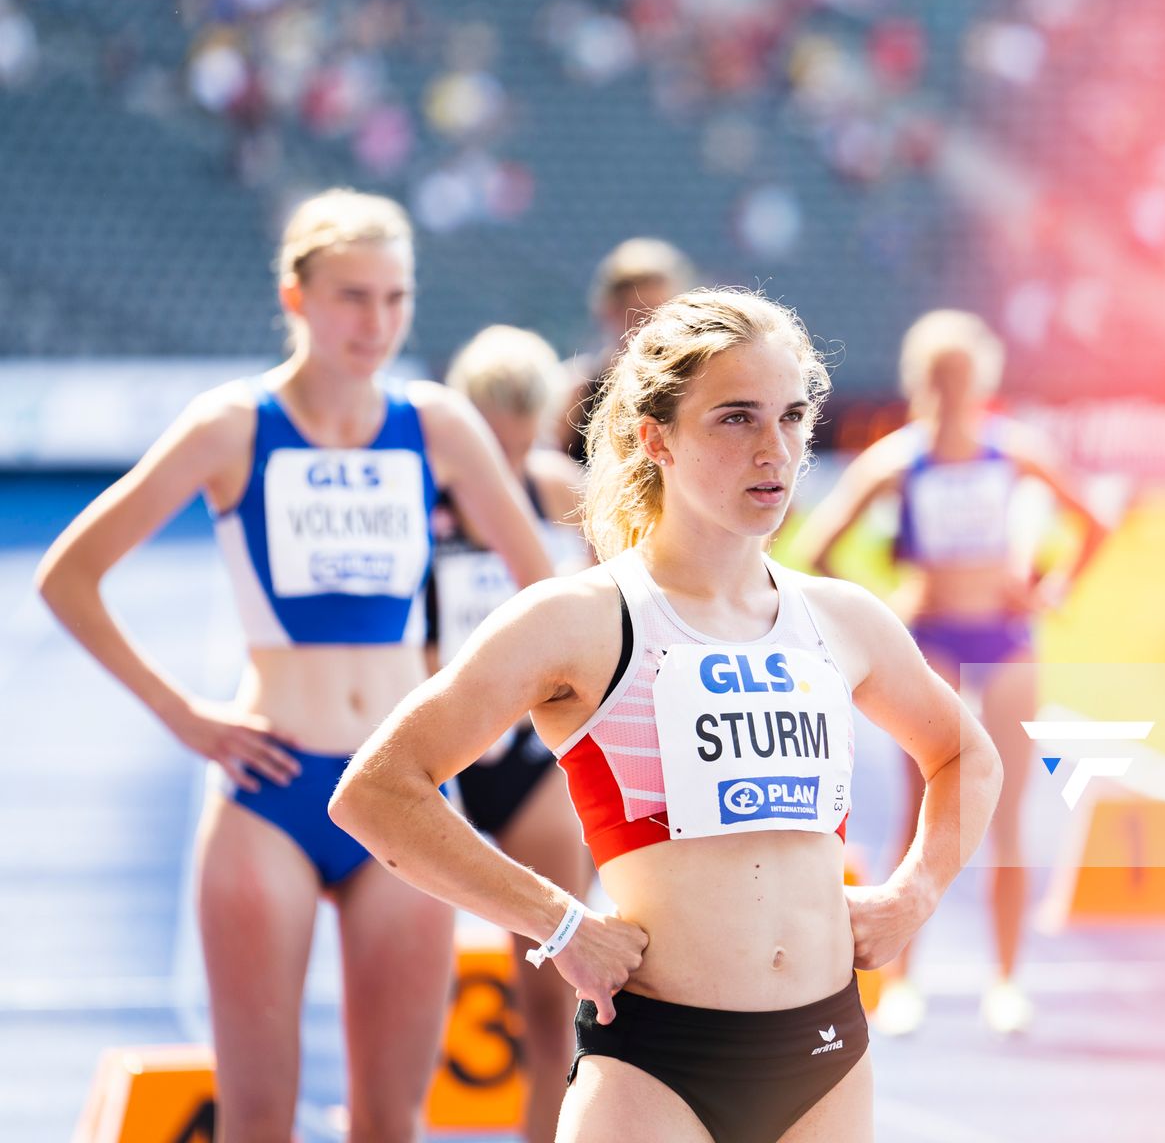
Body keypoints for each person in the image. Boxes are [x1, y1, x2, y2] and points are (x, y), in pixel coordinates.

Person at [330, 289, 1003, 1143]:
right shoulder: (579, 619)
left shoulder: (842, 619)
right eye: (735, 418)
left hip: (827, 1052)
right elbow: (379, 791)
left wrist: (915, 892)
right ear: (656, 439)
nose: (776, 449)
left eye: (793, 416)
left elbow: (966, 758)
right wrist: (558, 921)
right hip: (658, 1071)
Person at [35, 189, 554, 1141]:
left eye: (396, 298)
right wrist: (183, 714)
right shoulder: (231, 426)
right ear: (297, 296)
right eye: (353, 297)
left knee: (390, 1120)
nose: (378, 323)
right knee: (259, 1118)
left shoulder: (436, 425)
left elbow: (542, 593)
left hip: (402, 791)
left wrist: (468, 708)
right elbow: (68, 576)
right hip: (271, 784)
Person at [792, 309, 1110, 1036]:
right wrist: (877, 609)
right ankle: (904, 980)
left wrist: (1051, 588)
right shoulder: (900, 461)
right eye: (937, 377)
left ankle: (1007, 979)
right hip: (930, 637)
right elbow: (819, 544)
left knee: (1005, 818)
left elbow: (1093, 522)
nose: (949, 389)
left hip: (1006, 638)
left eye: (961, 376)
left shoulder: (1014, 453)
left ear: (982, 380)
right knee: (924, 811)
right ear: (920, 382)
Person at [429, 323, 594, 1143]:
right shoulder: (420, 498)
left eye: (521, 432)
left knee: (550, 998)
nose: (505, 452)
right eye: (488, 434)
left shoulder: (565, 494)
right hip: (430, 755)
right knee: (418, 993)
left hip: (530, 759)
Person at [556, 237, 695, 464]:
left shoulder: (691, 387)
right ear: (609, 312)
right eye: (641, 314)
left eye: (664, 313)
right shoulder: (576, 391)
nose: (652, 326)